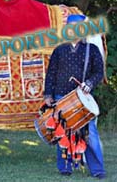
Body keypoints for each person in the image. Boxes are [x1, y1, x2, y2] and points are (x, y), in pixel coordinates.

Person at [44, 14, 106, 179]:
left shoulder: (91, 49)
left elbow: (99, 71)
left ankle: (97, 169)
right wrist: (48, 95)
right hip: (60, 94)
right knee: (62, 131)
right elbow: (51, 73)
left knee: (90, 132)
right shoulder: (59, 49)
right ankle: (65, 166)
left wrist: (90, 83)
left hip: (82, 97)